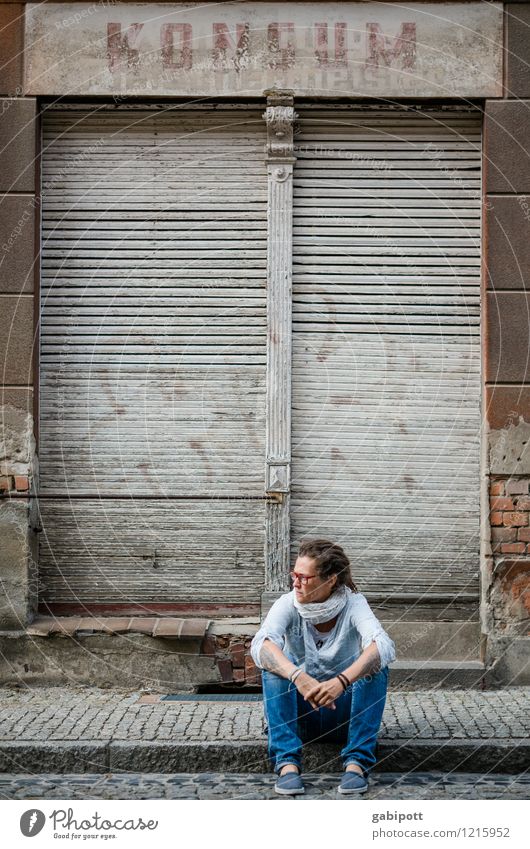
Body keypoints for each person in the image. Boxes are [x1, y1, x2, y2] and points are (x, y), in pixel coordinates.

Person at [250, 538, 396, 796]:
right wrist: (297, 676)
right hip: (301, 716)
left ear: (330, 581)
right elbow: (261, 645)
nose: (296, 582)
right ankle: (287, 765)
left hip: (344, 716)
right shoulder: (288, 602)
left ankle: (356, 764)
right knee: (275, 664)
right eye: (294, 575)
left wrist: (341, 681)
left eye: (304, 577)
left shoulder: (354, 603)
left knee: (375, 664)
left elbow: (382, 645)